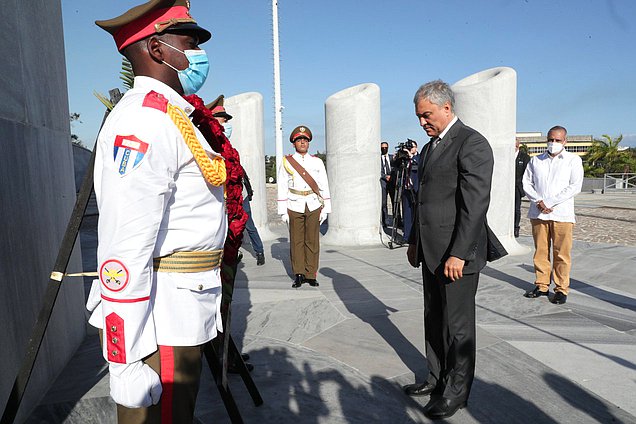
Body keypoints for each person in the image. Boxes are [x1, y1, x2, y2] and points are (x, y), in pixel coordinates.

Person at [89, 1, 226, 422]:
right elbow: (124, 244)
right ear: (157, 49)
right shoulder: (143, 122)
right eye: (188, 43)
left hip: (181, 308)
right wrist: (124, 355)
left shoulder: (170, 116)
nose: (198, 54)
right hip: (158, 318)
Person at [404, 80, 502, 419]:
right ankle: (435, 377)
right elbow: (424, 200)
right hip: (431, 250)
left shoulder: (471, 143)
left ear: (447, 107)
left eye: (426, 115)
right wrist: (415, 240)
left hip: (456, 255)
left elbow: (474, 205)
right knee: (434, 318)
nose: (422, 122)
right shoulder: (432, 146)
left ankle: (457, 392)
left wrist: (459, 253)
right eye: (418, 116)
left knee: (458, 327)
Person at [522, 126, 583, 305]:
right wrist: (539, 201)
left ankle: (561, 288)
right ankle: (541, 285)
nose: (553, 143)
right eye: (551, 139)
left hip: (561, 214)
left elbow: (575, 186)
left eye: (557, 140)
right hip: (539, 213)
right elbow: (527, 183)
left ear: (565, 141)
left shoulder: (573, 160)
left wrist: (550, 202)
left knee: (561, 253)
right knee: (540, 252)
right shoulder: (536, 160)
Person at [208, 95, 265, 266]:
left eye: (225, 119)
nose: (224, 122)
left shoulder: (226, 142)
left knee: (248, 224)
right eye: (221, 119)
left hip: (239, 192)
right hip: (222, 190)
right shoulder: (211, 144)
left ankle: (259, 251)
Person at [277, 126, 331, 288]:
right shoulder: (287, 162)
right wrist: (282, 211)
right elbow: (282, 185)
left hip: (313, 204)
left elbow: (324, 185)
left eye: (305, 140)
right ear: (294, 143)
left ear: (309, 143)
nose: (302, 143)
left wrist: (326, 209)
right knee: (296, 241)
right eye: (299, 140)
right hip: (294, 204)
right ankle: (299, 273)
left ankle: (311, 273)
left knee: (312, 241)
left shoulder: (317, 161)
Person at [400, 139, 419, 243]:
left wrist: (411, 157)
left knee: (415, 214)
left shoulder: (419, 157)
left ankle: (416, 236)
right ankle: (406, 236)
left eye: (411, 147)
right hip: (406, 189)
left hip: (415, 189)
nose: (409, 149)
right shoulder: (405, 159)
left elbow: (419, 166)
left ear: (415, 148)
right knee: (407, 214)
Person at [514, 140, 531, 237]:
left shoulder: (524, 157)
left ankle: (516, 227)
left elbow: (527, 174)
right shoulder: (505, 156)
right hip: (506, 188)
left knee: (516, 209)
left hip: (517, 188)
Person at [380, 141, 393, 227]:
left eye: (385, 147)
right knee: (383, 203)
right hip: (383, 182)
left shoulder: (392, 157)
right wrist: (385, 176)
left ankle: (398, 221)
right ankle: (385, 221)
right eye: (382, 148)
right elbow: (378, 170)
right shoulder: (378, 158)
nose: (384, 149)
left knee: (395, 201)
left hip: (392, 182)